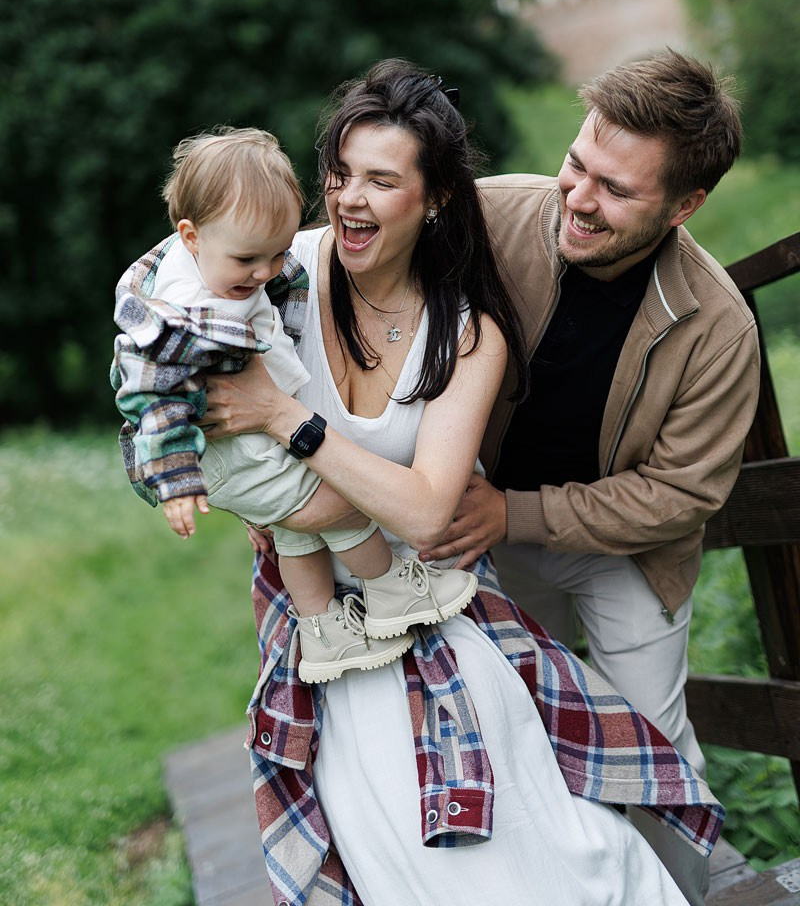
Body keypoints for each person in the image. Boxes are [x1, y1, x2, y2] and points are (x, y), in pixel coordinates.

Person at [201, 60, 724, 906]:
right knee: (401, 836)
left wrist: (284, 425)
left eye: (381, 180)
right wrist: (242, 487)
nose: (349, 199)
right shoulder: (276, 274)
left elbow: (427, 509)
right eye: (338, 173)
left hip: (462, 586)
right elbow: (167, 315)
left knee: (570, 813)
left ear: (438, 196)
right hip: (334, 616)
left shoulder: (473, 331)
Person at [421, 50, 761, 904]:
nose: (577, 196)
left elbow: (682, 493)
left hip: (623, 549)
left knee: (652, 748)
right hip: (471, 528)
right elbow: (342, 257)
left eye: (615, 189)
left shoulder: (719, 327)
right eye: (577, 164)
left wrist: (515, 513)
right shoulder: (488, 216)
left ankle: (682, 893)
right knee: (496, 736)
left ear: (684, 205)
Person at [111, 126, 478, 684]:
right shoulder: (177, 316)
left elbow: (279, 287)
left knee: (297, 528)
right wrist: (177, 478)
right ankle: (391, 590)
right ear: (190, 237)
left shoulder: (234, 260)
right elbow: (149, 397)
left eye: (278, 253)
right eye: (249, 259)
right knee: (341, 497)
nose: (265, 272)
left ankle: (322, 629)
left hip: (246, 447)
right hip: (221, 454)